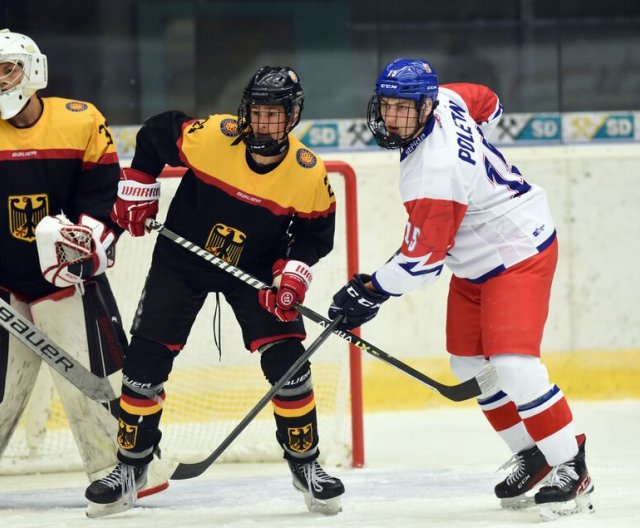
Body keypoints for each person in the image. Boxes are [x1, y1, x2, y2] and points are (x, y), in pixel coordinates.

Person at [327, 58, 594, 521]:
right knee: (469, 364)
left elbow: (422, 262)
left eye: (404, 109)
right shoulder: (447, 100)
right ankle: (532, 455)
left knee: (512, 365)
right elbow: (487, 101)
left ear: (426, 106)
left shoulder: (436, 172)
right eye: (387, 104)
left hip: (517, 251)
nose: (392, 117)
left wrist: (370, 291)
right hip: (475, 262)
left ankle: (571, 464)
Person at [84, 65, 345, 516]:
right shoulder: (213, 136)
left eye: (275, 114)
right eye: (258, 112)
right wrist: (140, 185)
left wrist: (291, 273)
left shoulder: (307, 172)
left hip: (255, 273)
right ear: (245, 110)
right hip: (182, 262)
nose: (264, 123)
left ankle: (306, 464)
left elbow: (315, 234)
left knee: (290, 365)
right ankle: (131, 465)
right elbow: (155, 134)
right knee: (144, 365)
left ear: (293, 116)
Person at [0, 28, 169, 511]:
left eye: (6, 68)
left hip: (66, 283)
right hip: (3, 285)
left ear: (33, 71)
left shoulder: (79, 121)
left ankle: (123, 470)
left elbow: (105, 198)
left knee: (93, 382)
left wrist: (88, 241)